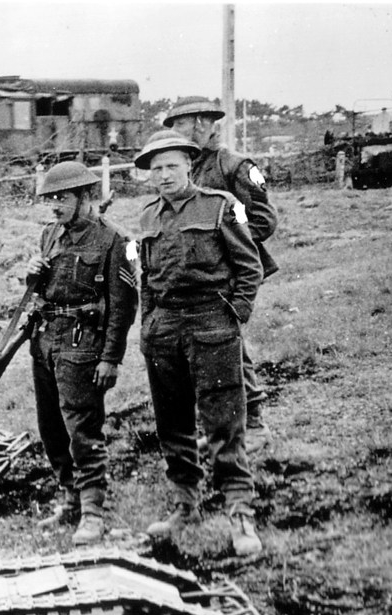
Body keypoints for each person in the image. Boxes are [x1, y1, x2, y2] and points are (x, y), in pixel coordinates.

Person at [133, 130, 263, 557]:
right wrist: (148, 324)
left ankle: (240, 512)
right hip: (164, 328)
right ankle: (184, 505)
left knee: (224, 423)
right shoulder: (148, 217)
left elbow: (250, 266)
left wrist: (234, 315)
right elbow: (146, 277)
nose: (165, 175)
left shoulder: (222, 206)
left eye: (172, 166)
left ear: (189, 165)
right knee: (172, 424)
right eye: (157, 169)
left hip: (211, 322)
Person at [27, 161, 139, 544]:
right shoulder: (50, 235)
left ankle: (93, 511)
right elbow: (45, 289)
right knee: (51, 428)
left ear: (86, 198)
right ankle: (71, 497)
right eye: (51, 199)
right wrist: (33, 274)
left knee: (82, 430)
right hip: (45, 341)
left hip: (83, 346)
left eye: (62, 198)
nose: (55, 206)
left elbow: (123, 306)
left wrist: (111, 358)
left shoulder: (114, 240)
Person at [164, 97, 279, 448]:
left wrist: (226, 241)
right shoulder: (190, 169)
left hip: (228, 276)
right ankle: (224, 427)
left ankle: (255, 425)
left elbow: (262, 219)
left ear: (201, 122)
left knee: (231, 348)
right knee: (209, 353)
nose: (174, 134)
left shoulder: (235, 166)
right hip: (199, 278)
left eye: (179, 126)